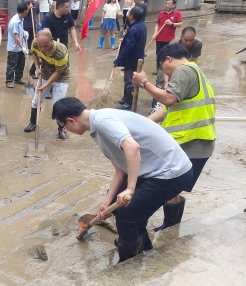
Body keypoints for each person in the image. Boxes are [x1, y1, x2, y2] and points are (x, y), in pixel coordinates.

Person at [51, 97, 193, 263]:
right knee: (119, 205)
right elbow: (120, 169)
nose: (66, 130)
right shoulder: (96, 129)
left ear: (70, 121)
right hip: (154, 170)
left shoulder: (103, 121)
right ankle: (139, 245)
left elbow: (132, 147)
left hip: (172, 172)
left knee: (128, 214)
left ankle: (131, 260)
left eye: (63, 127)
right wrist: (107, 202)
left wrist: (130, 189)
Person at [133, 42, 215, 232]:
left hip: (190, 141)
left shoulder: (184, 70)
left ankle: (165, 225)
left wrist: (144, 82)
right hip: (195, 142)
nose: (165, 73)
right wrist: (142, 124)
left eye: (163, 67)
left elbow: (169, 99)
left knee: (164, 183)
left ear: (168, 59)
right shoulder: (196, 71)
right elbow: (168, 108)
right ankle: (170, 228)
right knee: (172, 186)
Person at [24, 29, 70, 140]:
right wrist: (37, 67)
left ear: (52, 40)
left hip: (61, 76)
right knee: (36, 100)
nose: (43, 49)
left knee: (58, 106)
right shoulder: (35, 43)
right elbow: (34, 54)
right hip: (45, 72)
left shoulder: (60, 52)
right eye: (41, 46)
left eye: (46, 46)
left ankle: (61, 129)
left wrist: (45, 86)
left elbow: (58, 72)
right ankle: (33, 122)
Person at [114, 7, 147, 110]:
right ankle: (125, 98)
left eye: (128, 13)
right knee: (128, 79)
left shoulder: (134, 29)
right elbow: (132, 41)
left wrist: (118, 60)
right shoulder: (141, 26)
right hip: (137, 57)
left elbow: (129, 47)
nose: (127, 14)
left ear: (131, 16)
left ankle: (128, 103)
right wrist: (123, 40)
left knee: (130, 81)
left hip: (132, 59)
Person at [154, 0, 183, 82]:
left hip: (169, 39)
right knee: (159, 54)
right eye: (166, 3)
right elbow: (157, 24)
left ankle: (166, 69)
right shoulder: (161, 13)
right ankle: (158, 69)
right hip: (159, 38)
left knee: (168, 55)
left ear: (174, 5)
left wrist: (171, 23)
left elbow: (180, 24)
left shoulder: (177, 13)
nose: (167, 5)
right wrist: (155, 33)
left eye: (169, 4)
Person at [6, 2, 30, 88]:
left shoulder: (21, 19)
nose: (28, 11)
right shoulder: (14, 22)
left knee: (21, 63)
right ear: (24, 11)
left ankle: (18, 78)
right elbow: (16, 38)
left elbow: (20, 30)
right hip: (13, 47)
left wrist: (24, 32)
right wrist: (23, 47)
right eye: (27, 9)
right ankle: (9, 80)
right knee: (12, 64)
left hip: (20, 46)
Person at [24, 0, 40, 79]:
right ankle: (26, 50)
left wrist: (39, 21)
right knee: (27, 39)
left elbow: (38, 13)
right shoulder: (26, 4)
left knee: (34, 40)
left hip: (34, 25)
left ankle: (32, 51)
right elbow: (24, 13)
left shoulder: (37, 4)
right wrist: (28, 8)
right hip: (26, 25)